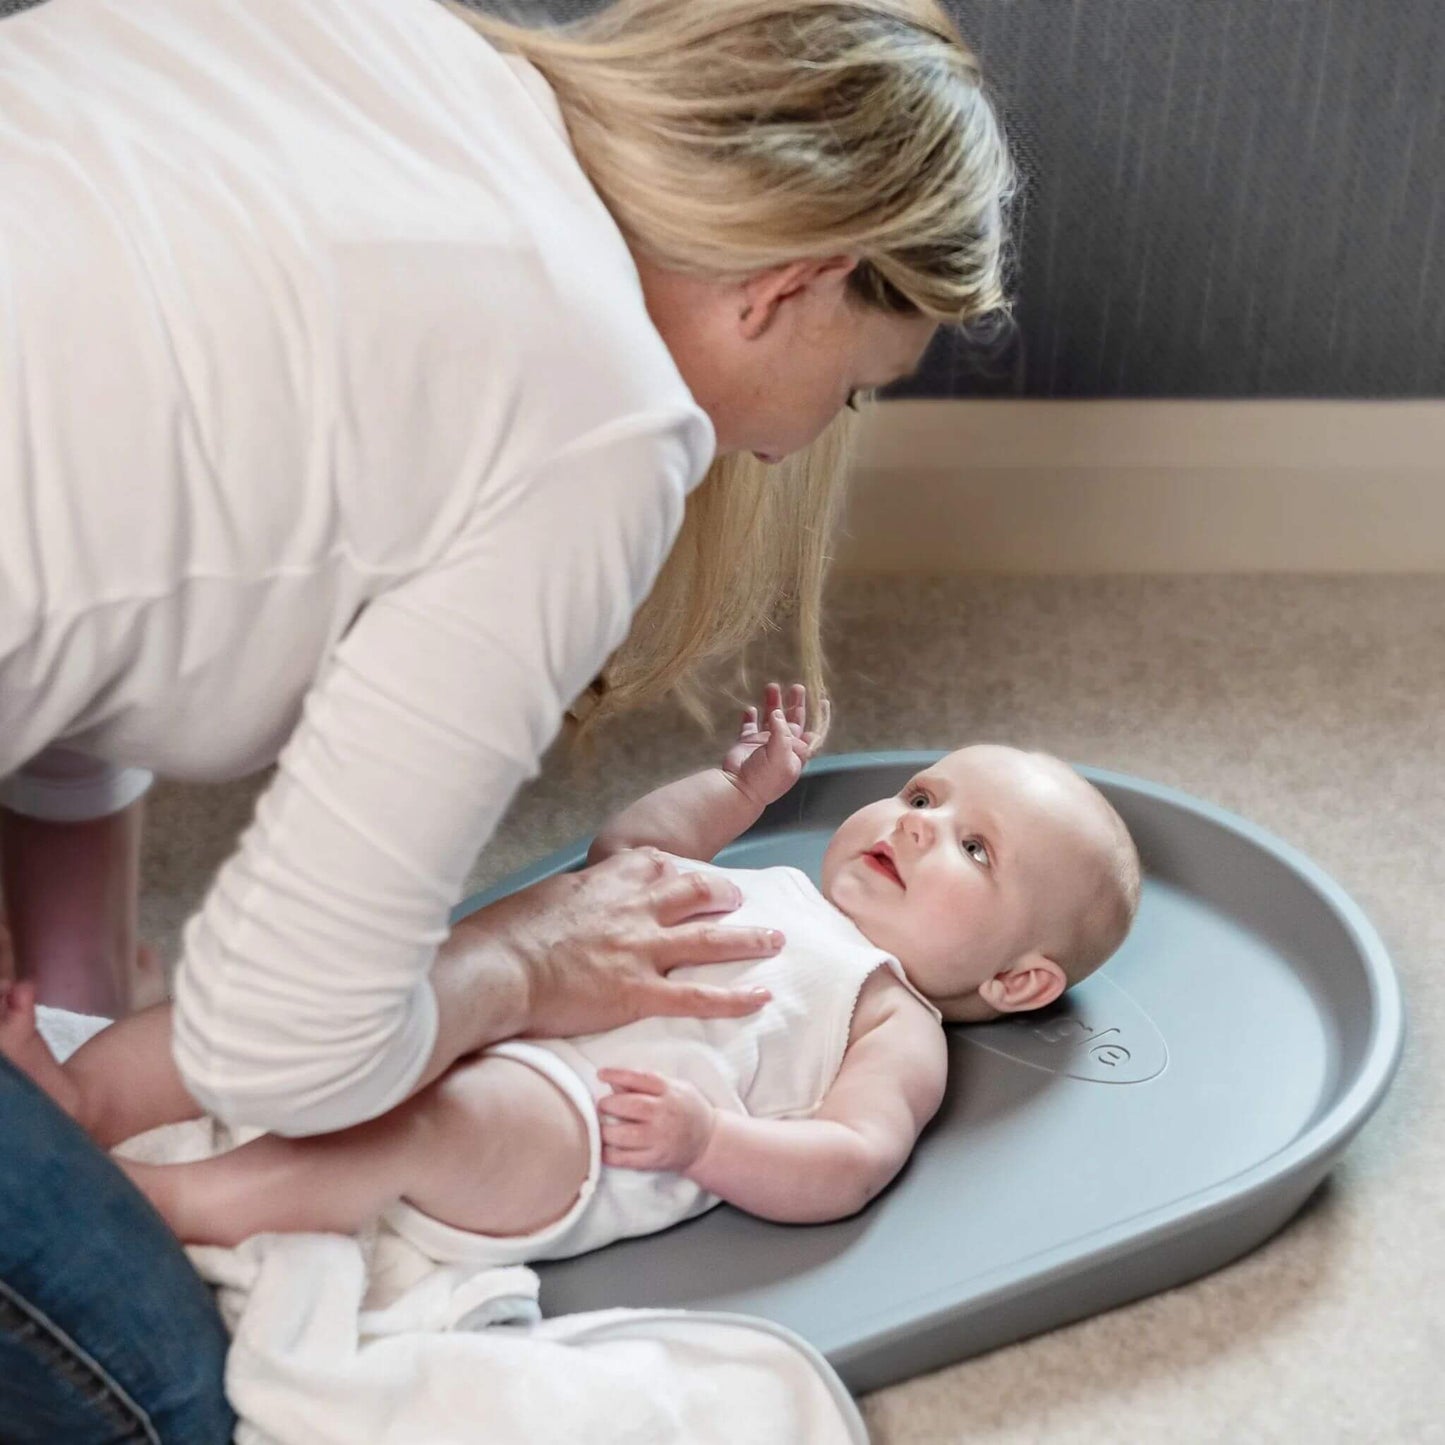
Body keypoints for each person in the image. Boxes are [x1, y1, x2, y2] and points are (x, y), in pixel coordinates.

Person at [0, 0, 1017, 1435]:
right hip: (448, 1094)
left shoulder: (400, 52)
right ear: (791, 285)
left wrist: (78, 967)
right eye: (849, 391)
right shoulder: (600, 421)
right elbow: (278, 1054)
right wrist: (522, 958)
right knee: (168, 1391)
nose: (801, 440)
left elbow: (122, 516)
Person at [1, 683, 1140, 1274]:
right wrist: (734, 794)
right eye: (925, 795)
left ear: (1021, 976)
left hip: (573, 1131)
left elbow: (849, 1161)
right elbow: (621, 862)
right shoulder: (775, 881)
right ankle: (87, 1093)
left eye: (974, 849)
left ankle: (180, 1206)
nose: (919, 823)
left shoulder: (890, 1015)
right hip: (504, 1009)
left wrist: (708, 1141)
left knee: (418, 1111)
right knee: (260, 1013)